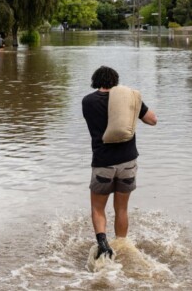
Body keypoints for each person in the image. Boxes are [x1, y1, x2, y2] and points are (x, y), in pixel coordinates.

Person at [82, 66, 157, 260]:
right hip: (128, 162)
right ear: (115, 82)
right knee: (121, 208)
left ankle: (103, 245)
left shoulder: (88, 101)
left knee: (98, 208)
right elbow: (152, 121)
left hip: (103, 164)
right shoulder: (129, 99)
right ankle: (122, 246)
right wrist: (135, 107)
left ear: (95, 81)